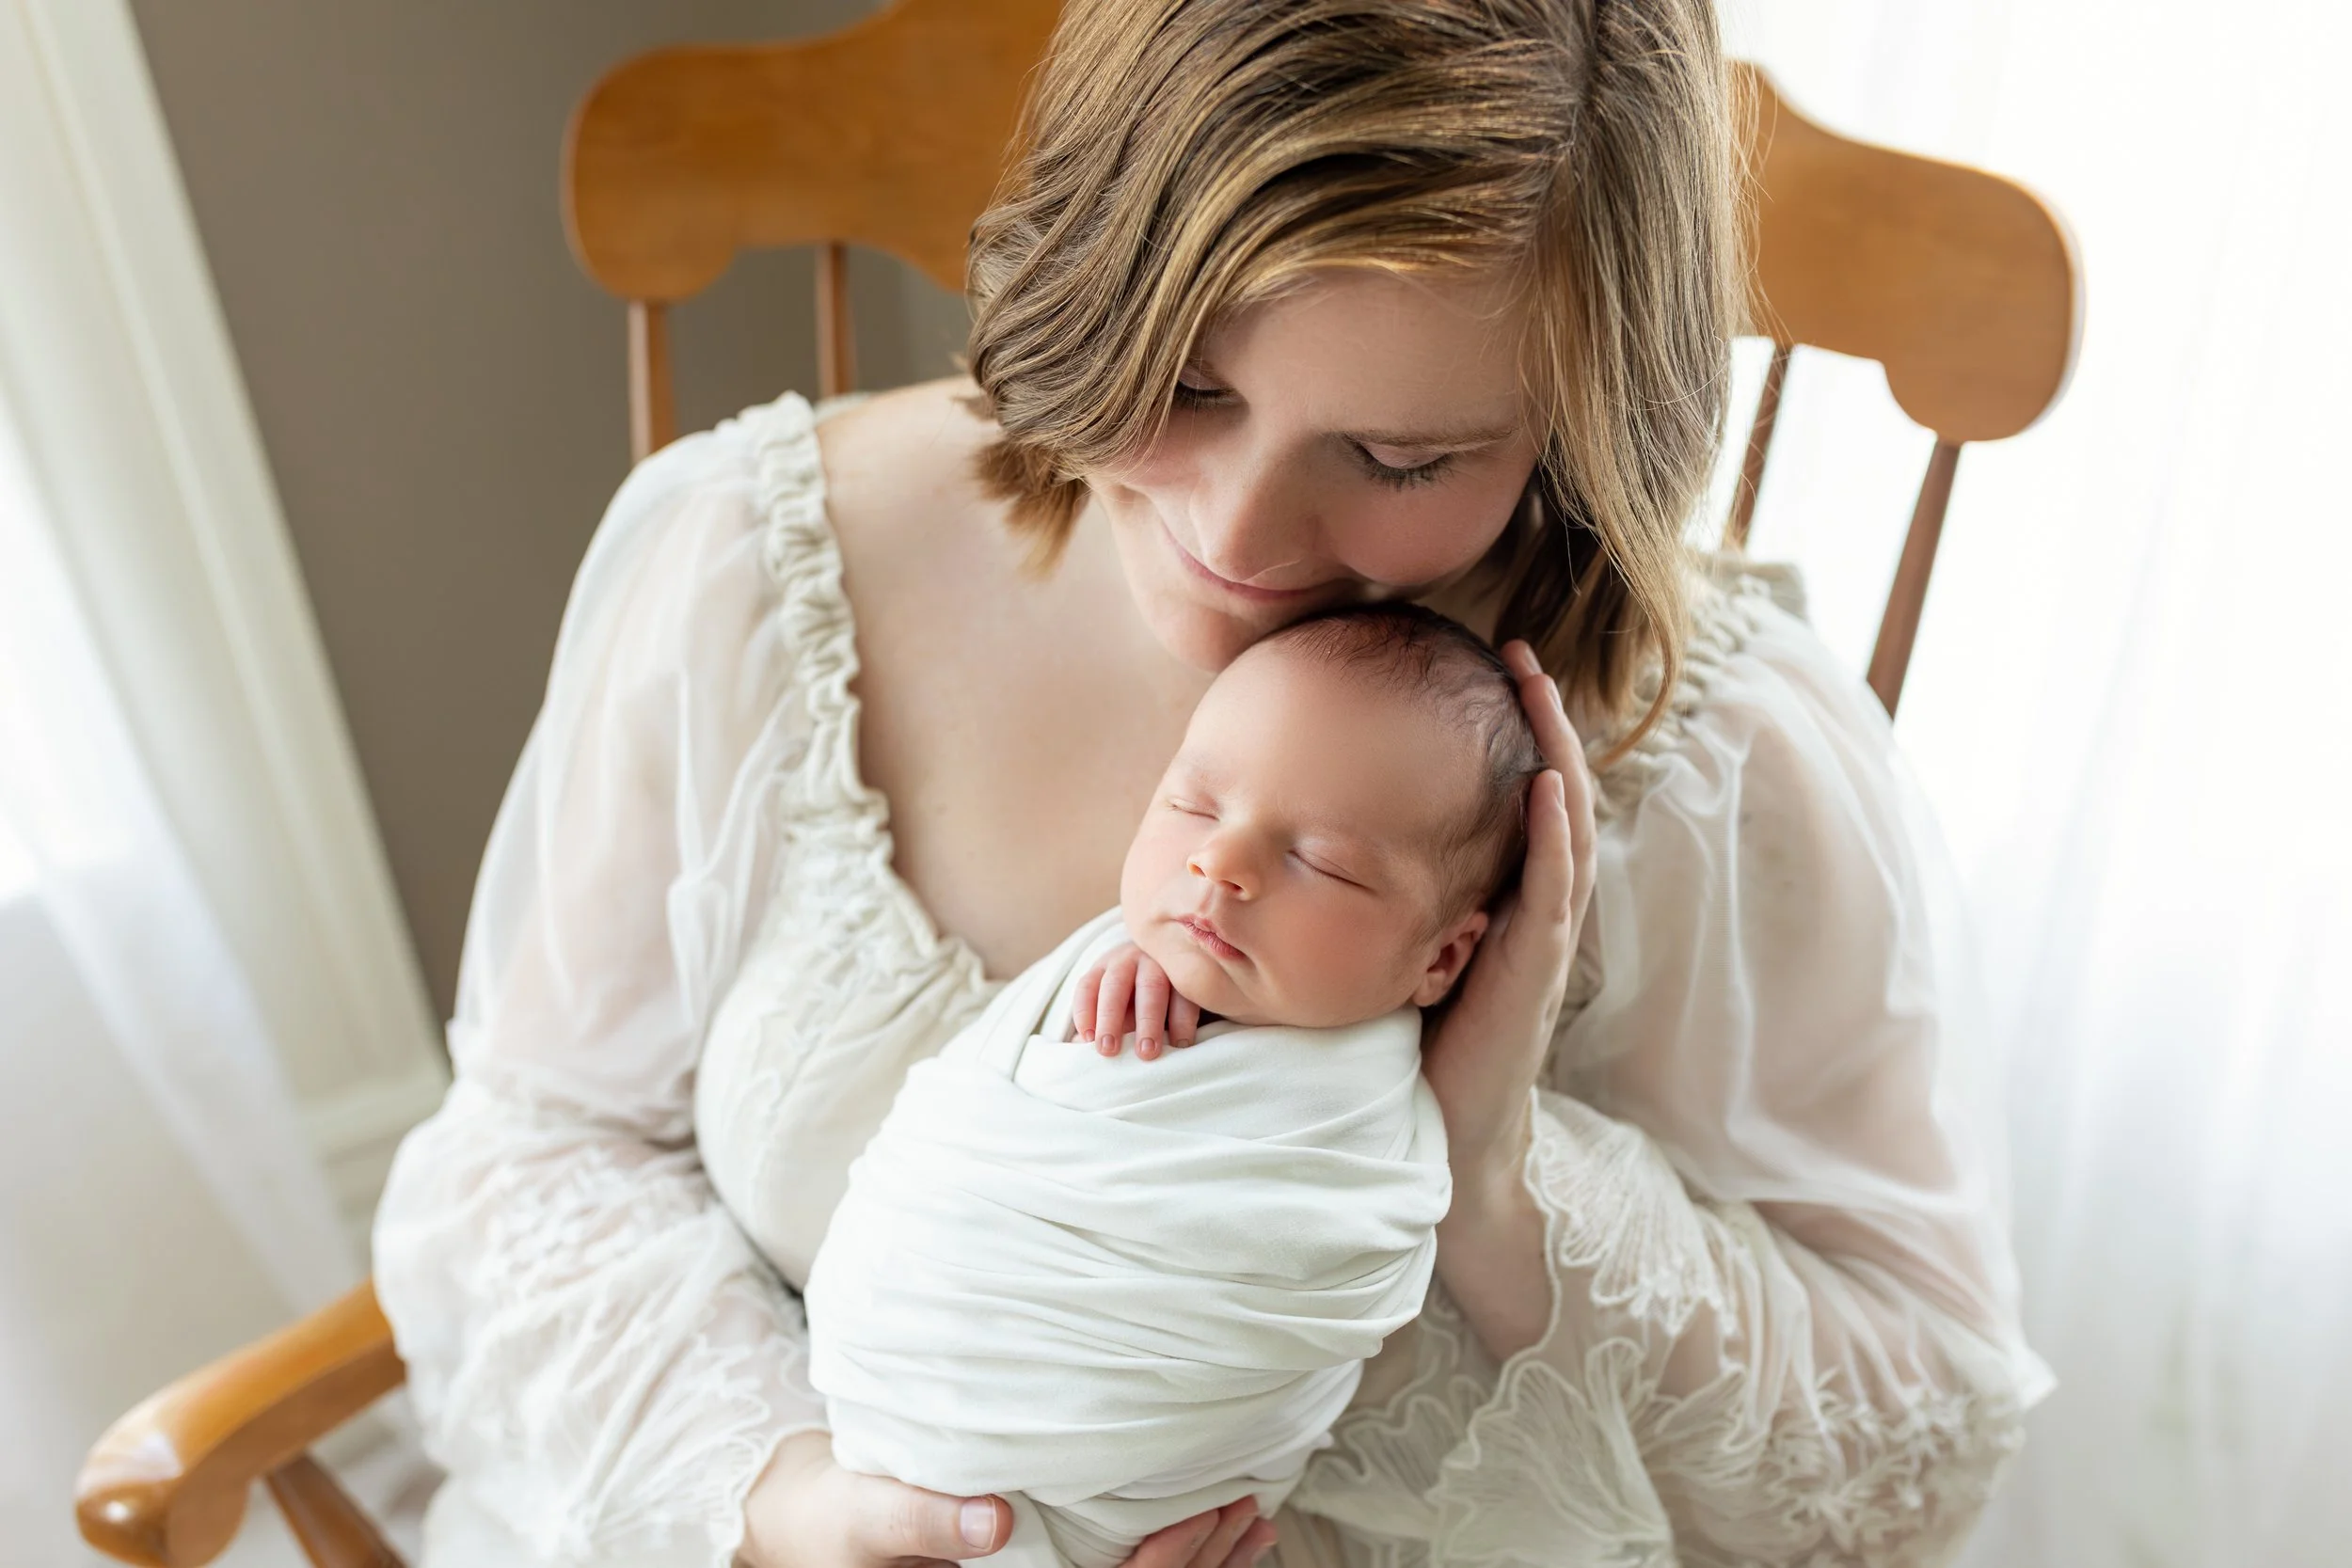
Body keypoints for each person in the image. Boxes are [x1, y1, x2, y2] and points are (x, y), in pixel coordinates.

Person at [371, 2, 2051, 1565]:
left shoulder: (1707, 760)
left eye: (1402, 458)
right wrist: (789, 1492)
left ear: (1580, 424)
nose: (1236, 540)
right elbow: (538, 1145)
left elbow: (1923, 1432)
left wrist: (1488, 1172)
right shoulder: (757, 563)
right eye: (1184, 379)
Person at [803, 607, 1531, 1568]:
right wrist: (1123, 962)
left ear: (1441, 956)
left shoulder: (1370, 1119)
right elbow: (975, 1119)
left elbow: (1347, 1249)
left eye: (1317, 859)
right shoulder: (1109, 973)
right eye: (1192, 804)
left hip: (1135, 1510)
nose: (1218, 864)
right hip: (881, 1416)